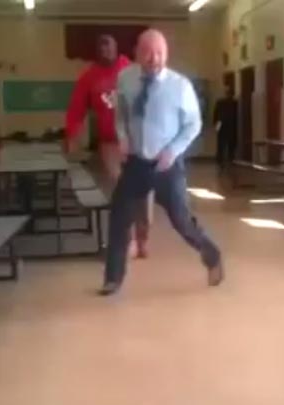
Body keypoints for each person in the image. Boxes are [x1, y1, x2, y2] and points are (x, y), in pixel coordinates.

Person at [101, 29, 223, 295]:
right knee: (119, 217)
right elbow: (121, 114)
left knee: (182, 221)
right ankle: (113, 279)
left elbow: (194, 124)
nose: (154, 58)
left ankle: (212, 255)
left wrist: (172, 151)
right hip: (135, 162)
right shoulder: (126, 78)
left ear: (166, 54)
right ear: (137, 53)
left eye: (159, 53)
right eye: (148, 52)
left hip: (166, 165)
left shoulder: (180, 86)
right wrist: (123, 137)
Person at [65, 34, 151, 258]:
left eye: (108, 47)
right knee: (122, 190)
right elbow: (76, 108)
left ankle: (143, 237)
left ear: (116, 48)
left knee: (142, 193)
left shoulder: (132, 70)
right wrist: (72, 135)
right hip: (110, 144)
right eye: (101, 48)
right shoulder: (89, 77)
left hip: (137, 141)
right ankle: (129, 240)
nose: (105, 51)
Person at [213, 85, 238, 170]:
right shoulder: (234, 103)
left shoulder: (221, 103)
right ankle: (227, 159)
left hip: (224, 125)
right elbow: (216, 115)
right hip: (230, 126)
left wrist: (216, 125)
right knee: (228, 143)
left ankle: (223, 159)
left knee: (224, 143)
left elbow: (216, 115)